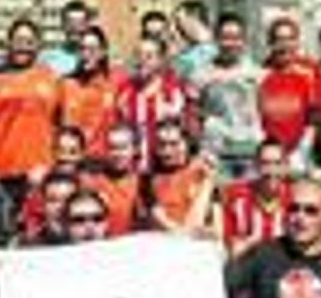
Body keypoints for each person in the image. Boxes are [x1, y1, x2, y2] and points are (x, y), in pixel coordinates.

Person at [0, 19, 62, 204]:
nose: (23, 47)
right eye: (19, 41)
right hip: (1, 174)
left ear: (38, 45)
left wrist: (50, 165)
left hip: (39, 173)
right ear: (9, 43)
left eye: (29, 42)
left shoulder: (51, 77)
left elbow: (59, 126)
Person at [191, 12, 264, 181]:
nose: (231, 43)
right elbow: (193, 114)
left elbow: (265, 111)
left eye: (236, 37)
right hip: (215, 154)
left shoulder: (258, 73)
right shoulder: (200, 74)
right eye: (225, 37)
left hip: (250, 152)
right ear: (216, 39)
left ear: (244, 40)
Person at [256, 15, 321, 171]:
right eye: (279, 40)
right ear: (270, 44)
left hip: (300, 154)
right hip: (269, 156)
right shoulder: (261, 73)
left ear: (297, 42)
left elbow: (315, 116)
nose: (284, 45)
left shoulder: (310, 71)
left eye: (289, 39)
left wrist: (301, 151)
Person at [115, 33, 189, 173]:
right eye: (138, 55)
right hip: (134, 172)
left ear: (160, 60)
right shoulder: (125, 92)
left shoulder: (172, 92)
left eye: (149, 56)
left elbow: (184, 133)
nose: (142, 61)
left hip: (165, 172)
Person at [142, 118, 218, 236]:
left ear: (187, 144)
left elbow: (217, 225)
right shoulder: (147, 180)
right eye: (162, 144)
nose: (167, 151)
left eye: (174, 144)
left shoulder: (203, 172)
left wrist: (208, 181)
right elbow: (165, 225)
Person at [58, 26, 124, 161]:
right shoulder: (66, 84)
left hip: (104, 161)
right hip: (72, 160)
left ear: (103, 52)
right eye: (82, 49)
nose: (86, 54)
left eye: (92, 49)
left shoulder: (117, 81)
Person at [220, 139, 290, 258]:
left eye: (277, 163)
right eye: (265, 163)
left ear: (286, 166)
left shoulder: (297, 200)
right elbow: (229, 246)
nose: (271, 171)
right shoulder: (236, 196)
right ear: (256, 165)